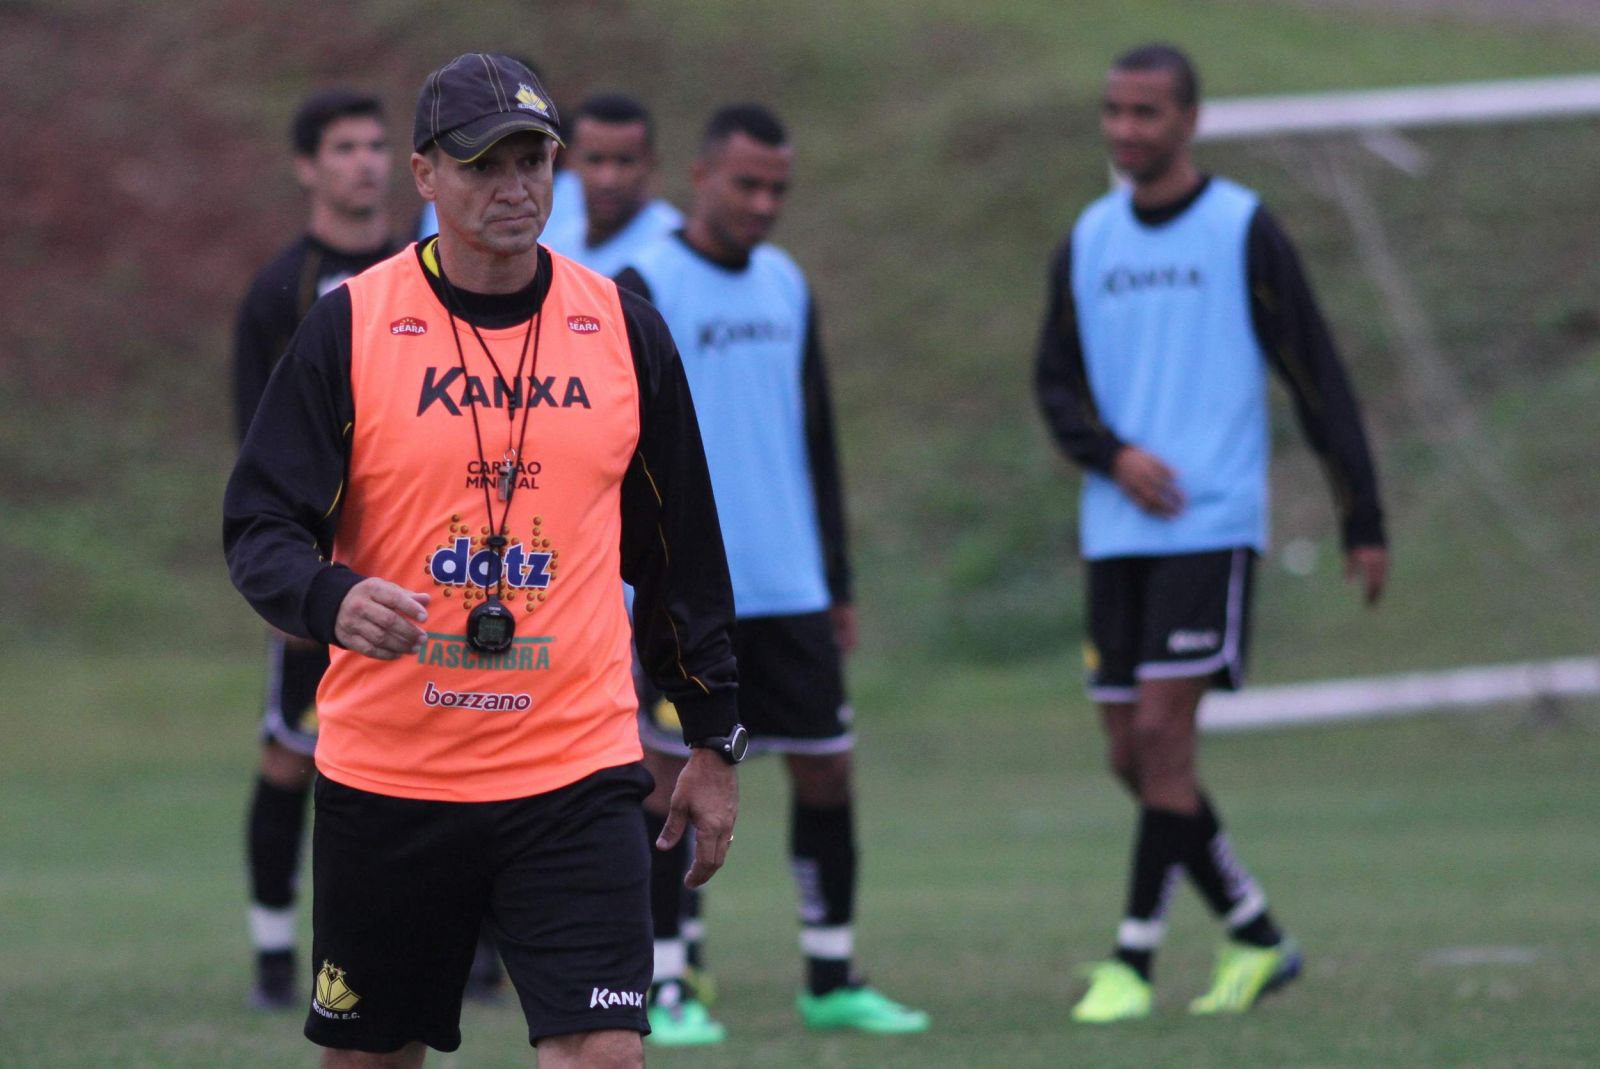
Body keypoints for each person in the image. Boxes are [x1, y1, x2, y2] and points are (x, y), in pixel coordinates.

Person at [224, 53, 743, 1068]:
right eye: (482, 165)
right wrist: (327, 596)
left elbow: (680, 552)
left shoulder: (622, 330)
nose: (514, 187)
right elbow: (259, 523)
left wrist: (714, 734)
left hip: (575, 770)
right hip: (392, 774)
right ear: (424, 174)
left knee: (603, 1051)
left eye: (532, 160)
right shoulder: (351, 325)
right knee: (372, 1057)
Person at [1034, 43, 1389, 1024]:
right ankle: (1255, 930)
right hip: (1115, 529)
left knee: (1160, 733)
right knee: (1129, 752)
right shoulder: (1088, 238)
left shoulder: (1242, 229)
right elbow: (1055, 383)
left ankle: (1131, 959)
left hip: (1210, 521)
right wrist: (1113, 455)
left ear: (1188, 120)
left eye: (1145, 112)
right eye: (1113, 110)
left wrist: (1361, 515)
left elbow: (1315, 372)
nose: (1124, 128)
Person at [616, 104, 929, 1046]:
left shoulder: (787, 283)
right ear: (700, 176)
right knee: (668, 777)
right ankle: (669, 982)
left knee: (827, 767)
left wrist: (837, 579)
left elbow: (816, 437)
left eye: (777, 189)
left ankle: (831, 975)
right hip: (685, 590)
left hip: (789, 583)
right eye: (746, 184)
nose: (762, 203)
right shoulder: (645, 285)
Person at [231, 87, 400, 1011]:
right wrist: (288, 581)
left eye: (376, 144)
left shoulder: (426, 271)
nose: (365, 161)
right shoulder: (283, 290)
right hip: (322, 580)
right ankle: (272, 951)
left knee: (452, 747)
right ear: (307, 166)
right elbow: (257, 447)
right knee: (293, 757)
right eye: (344, 147)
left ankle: (481, 951)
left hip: (419, 568)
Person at [540, 93, 682, 275]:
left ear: (650, 163)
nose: (608, 180)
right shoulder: (553, 240)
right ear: (570, 160)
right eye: (595, 160)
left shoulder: (674, 253)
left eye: (624, 161)